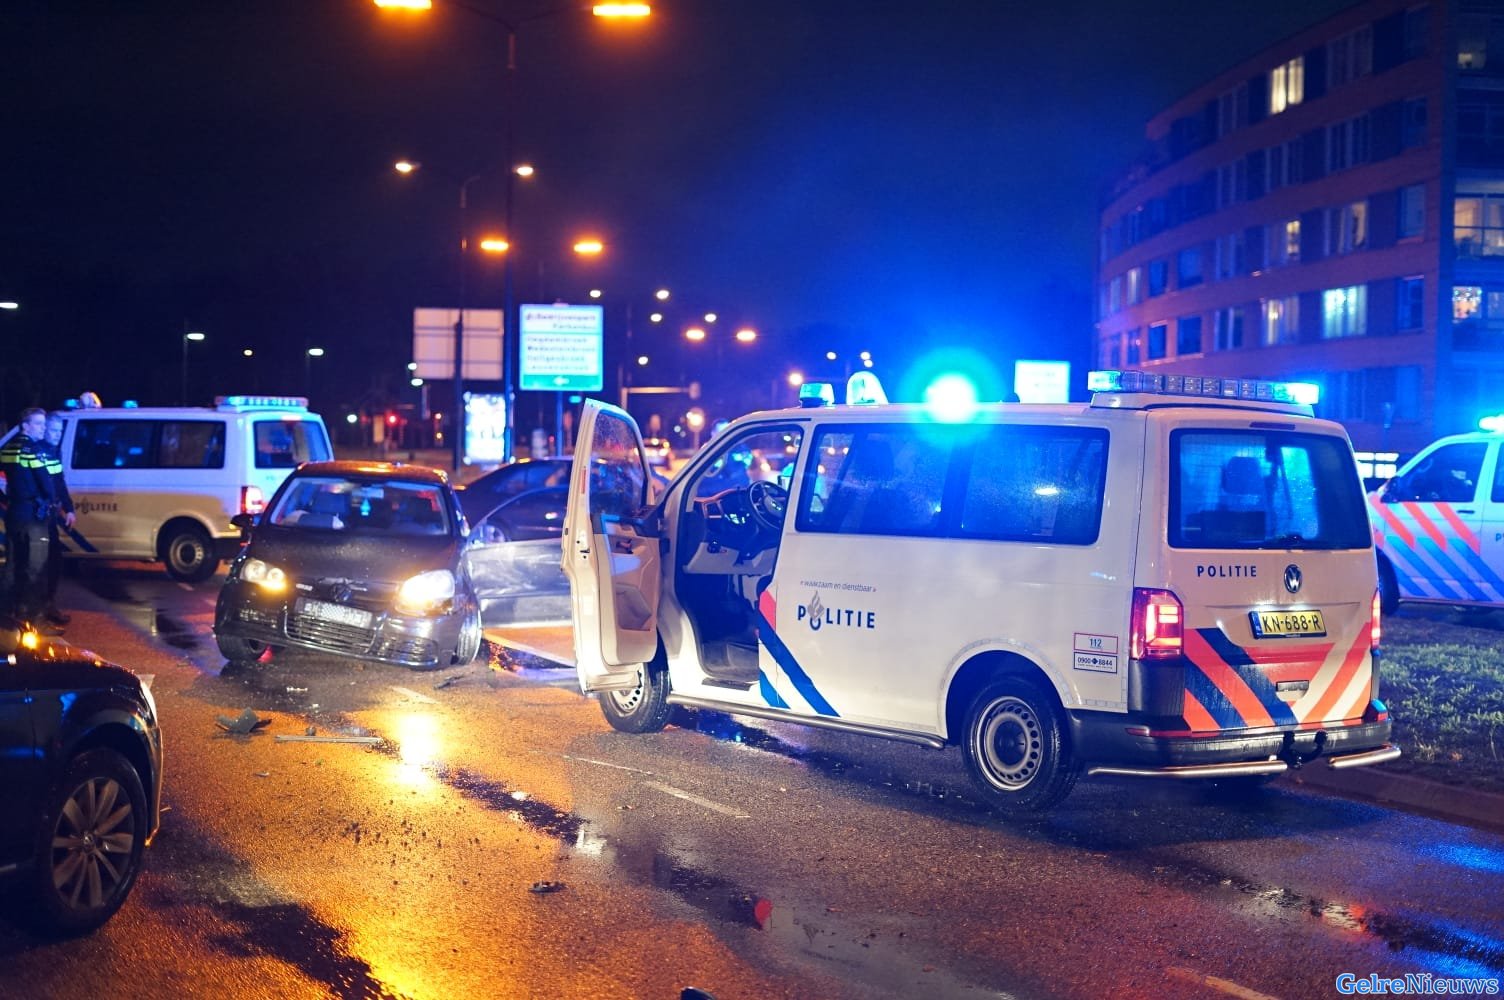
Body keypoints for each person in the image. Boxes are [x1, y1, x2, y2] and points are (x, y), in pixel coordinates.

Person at [0, 408, 64, 631]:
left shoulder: (8, 447)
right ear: (25, 426)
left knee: (12, 567)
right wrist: (50, 500)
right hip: (34, 518)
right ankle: (35, 621)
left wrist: (6, 499)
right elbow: (46, 483)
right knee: (36, 570)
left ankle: (6, 618)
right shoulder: (33, 450)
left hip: (14, 513)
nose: (43, 429)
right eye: (38, 424)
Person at [40, 411, 76, 625]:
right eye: (53, 430)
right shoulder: (38, 452)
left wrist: (69, 508)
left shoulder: (54, 451)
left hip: (50, 514)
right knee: (40, 563)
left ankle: (48, 605)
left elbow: (59, 481)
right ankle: (37, 610)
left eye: (59, 431)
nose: (56, 435)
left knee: (54, 560)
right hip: (38, 516)